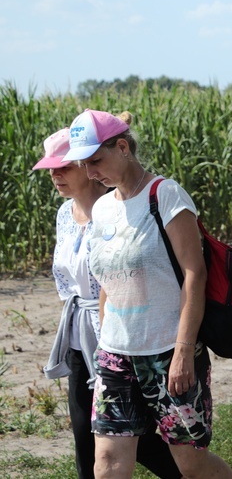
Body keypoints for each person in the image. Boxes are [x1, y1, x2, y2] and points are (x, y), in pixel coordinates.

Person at [62, 109, 232, 478]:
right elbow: (108, 281)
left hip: (167, 353)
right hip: (115, 357)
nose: (90, 173)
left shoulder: (166, 195)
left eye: (96, 161)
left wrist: (183, 352)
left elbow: (195, 274)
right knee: (106, 462)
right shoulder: (103, 209)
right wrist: (107, 343)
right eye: (84, 164)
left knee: (190, 464)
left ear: (122, 147)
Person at [36, 128, 182, 479]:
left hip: (123, 335)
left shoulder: (119, 209)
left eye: (64, 167)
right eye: (51, 170)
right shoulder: (64, 215)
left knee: (137, 439)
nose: (56, 176)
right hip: (79, 337)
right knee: (88, 440)